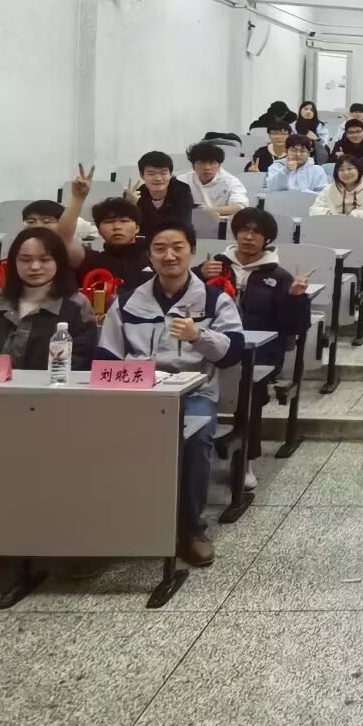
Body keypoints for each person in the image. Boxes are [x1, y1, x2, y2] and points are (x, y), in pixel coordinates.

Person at [95, 221, 244, 567]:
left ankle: (191, 529)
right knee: (99, 435)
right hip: (137, 393)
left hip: (193, 393)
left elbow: (234, 352)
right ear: (149, 255)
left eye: (178, 247)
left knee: (196, 437)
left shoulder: (214, 299)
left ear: (192, 251)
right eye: (160, 249)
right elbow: (107, 356)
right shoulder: (128, 301)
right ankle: (113, 522)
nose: (169, 255)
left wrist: (198, 337)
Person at [200, 208, 312, 418]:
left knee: (248, 387)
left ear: (267, 239)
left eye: (257, 232)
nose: (249, 237)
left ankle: (245, 436)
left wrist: (296, 299)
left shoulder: (279, 277)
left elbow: (294, 327)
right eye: (244, 230)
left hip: (258, 354)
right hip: (210, 347)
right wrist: (199, 274)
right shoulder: (214, 266)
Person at [0, 226, 98, 368]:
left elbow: (80, 363)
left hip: (49, 386)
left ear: (59, 262)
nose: (35, 267)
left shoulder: (76, 305)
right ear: (14, 262)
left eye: (45, 260)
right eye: (26, 260)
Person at [56, 172, 151, 283]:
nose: (116, 227)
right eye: (109, 222)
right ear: (99, 230)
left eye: (124, 221)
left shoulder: (155, 258)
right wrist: (77, 198)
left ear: (137, 228)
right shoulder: (92, 261)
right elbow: (62, 241)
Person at [310, 155, 363, 224]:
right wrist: (333, 215)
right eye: (341, 170)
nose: (346, 173)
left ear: (358, 169)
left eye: (349, 168)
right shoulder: (328, 189)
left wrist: (352, 215)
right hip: (332, 229)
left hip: (361, 231)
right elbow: (313, 211)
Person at [132, 151, 198, 224]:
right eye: (151, 174)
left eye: (163, 173)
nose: (158, 178)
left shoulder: (182, 192)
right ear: (142, 176)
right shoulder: (136, 196)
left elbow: (182, 224)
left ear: (171, 174)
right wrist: (130, 203)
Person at [183, 142, 250, 211]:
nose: (207, 167)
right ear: (193, 165)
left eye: (212, 163)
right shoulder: (182, 180)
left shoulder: (230, 181)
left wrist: (209, 211)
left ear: (219, 165)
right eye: (201, 162)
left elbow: (240, 206)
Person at [265, 135, 332, 194]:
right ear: (286, 151)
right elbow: (270, 189)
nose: (298, 154)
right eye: (294, 150)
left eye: (303, 151)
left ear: (309, 153)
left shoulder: (317, 170)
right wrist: (285, 171)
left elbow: (323, 195)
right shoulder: (276, 167)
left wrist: (302, 193)